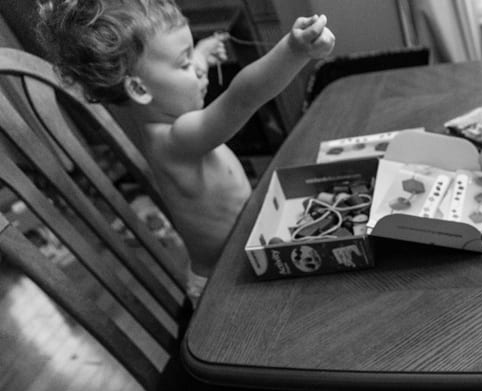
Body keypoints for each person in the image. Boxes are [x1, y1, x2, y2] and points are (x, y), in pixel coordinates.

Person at [37, 0, 336, 304]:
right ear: (139, 90)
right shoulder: (174, 140)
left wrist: (200, 52)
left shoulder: (166, 120)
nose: (199, 70)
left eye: (192, 55)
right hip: (225, 284)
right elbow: (242, 98)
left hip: (246, 251)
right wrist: (293, 50)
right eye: (185, 64)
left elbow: (178, 72)